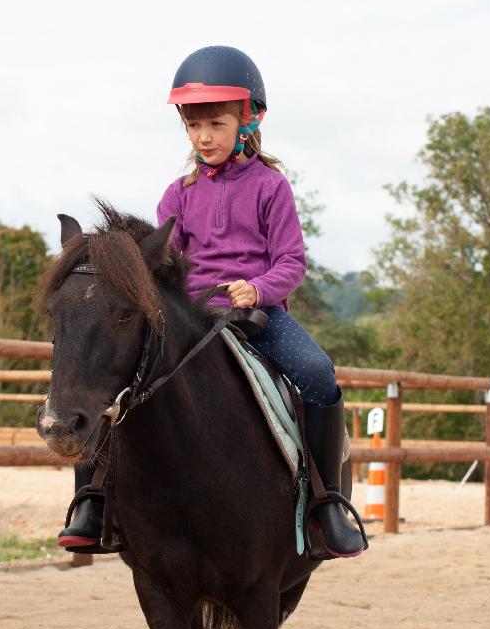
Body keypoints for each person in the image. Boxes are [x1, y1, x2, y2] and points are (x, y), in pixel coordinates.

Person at [58, 45, 365, 559]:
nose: (204, 137)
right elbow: (161, 266)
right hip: (189, 318)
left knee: (318, 374)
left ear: (248, 120)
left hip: (257, 317)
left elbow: (291, 261)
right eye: (193, 125)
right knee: (113, 374)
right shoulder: (177, 195)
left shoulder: (272, 188)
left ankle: (327, 502)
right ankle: (92, 499)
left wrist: (259, 288)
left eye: (216, 124)